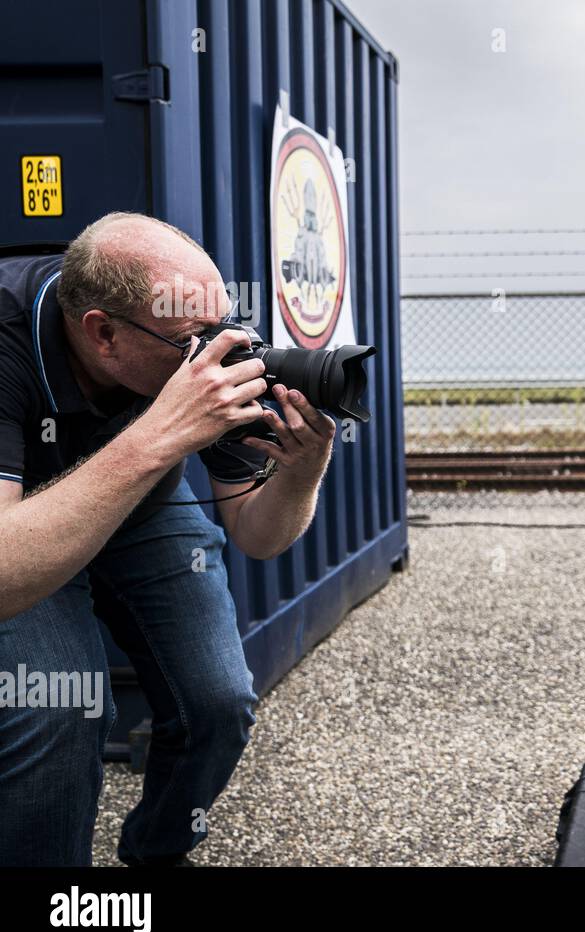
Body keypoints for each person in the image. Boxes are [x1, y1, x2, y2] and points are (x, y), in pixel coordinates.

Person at [0, 212, 337, 865]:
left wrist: (301, 472)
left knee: (217, 700)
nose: (219, 352)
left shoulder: (201, 347)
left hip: (144, 500)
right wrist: (165, 434)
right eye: (194, 340)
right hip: (22, 527)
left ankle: (157, 855)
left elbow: (258, 536)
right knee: (58, 708)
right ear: (103, 334)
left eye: (224, 326)